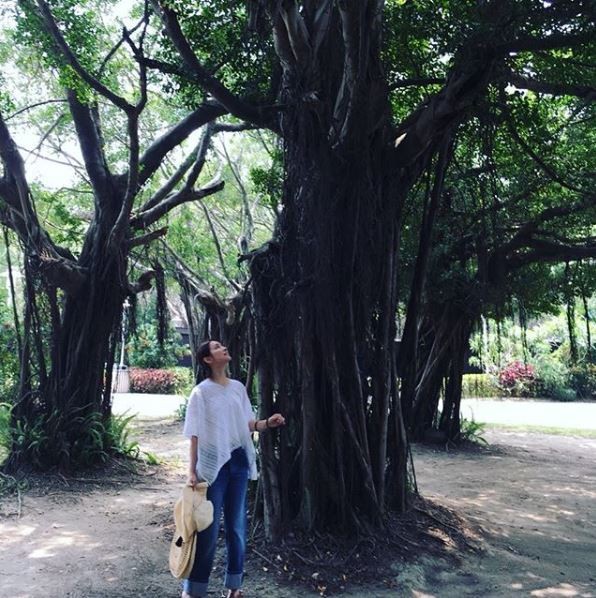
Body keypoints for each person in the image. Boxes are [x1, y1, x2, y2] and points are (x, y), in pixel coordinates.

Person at [181, 339, 285, 598]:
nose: (223, 348)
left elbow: (247, 424)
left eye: (222, 345)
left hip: (238, 461)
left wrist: (267, 423)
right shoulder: (201, 393)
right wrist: (191, 470)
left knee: (237, 527)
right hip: (213, 466)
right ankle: (194, 590)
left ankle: (234, 587)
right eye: (216, 347)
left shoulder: (238, 388)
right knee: (208, 528)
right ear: (207, 359)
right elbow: (194, 433)